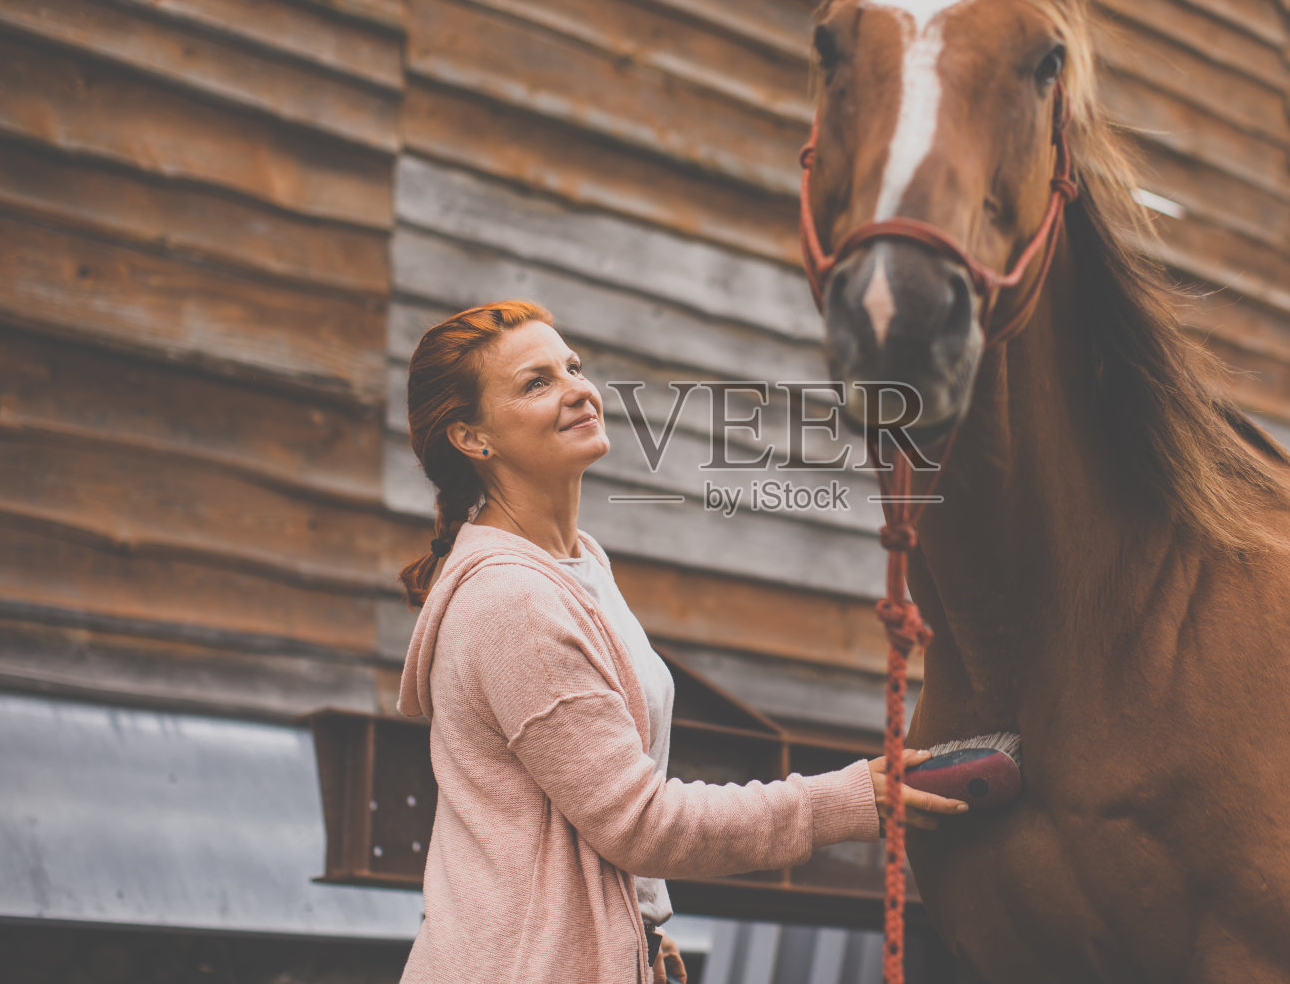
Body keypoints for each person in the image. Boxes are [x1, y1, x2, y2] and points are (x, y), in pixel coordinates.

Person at [394, 301, 967, 983]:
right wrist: (841, 800)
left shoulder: (580, 566)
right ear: (472, 436)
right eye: (536, 382)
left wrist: (640, 934)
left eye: (573, 366)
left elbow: (602, 820)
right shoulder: (514, 602)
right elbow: (642, 821)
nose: (579, 388)